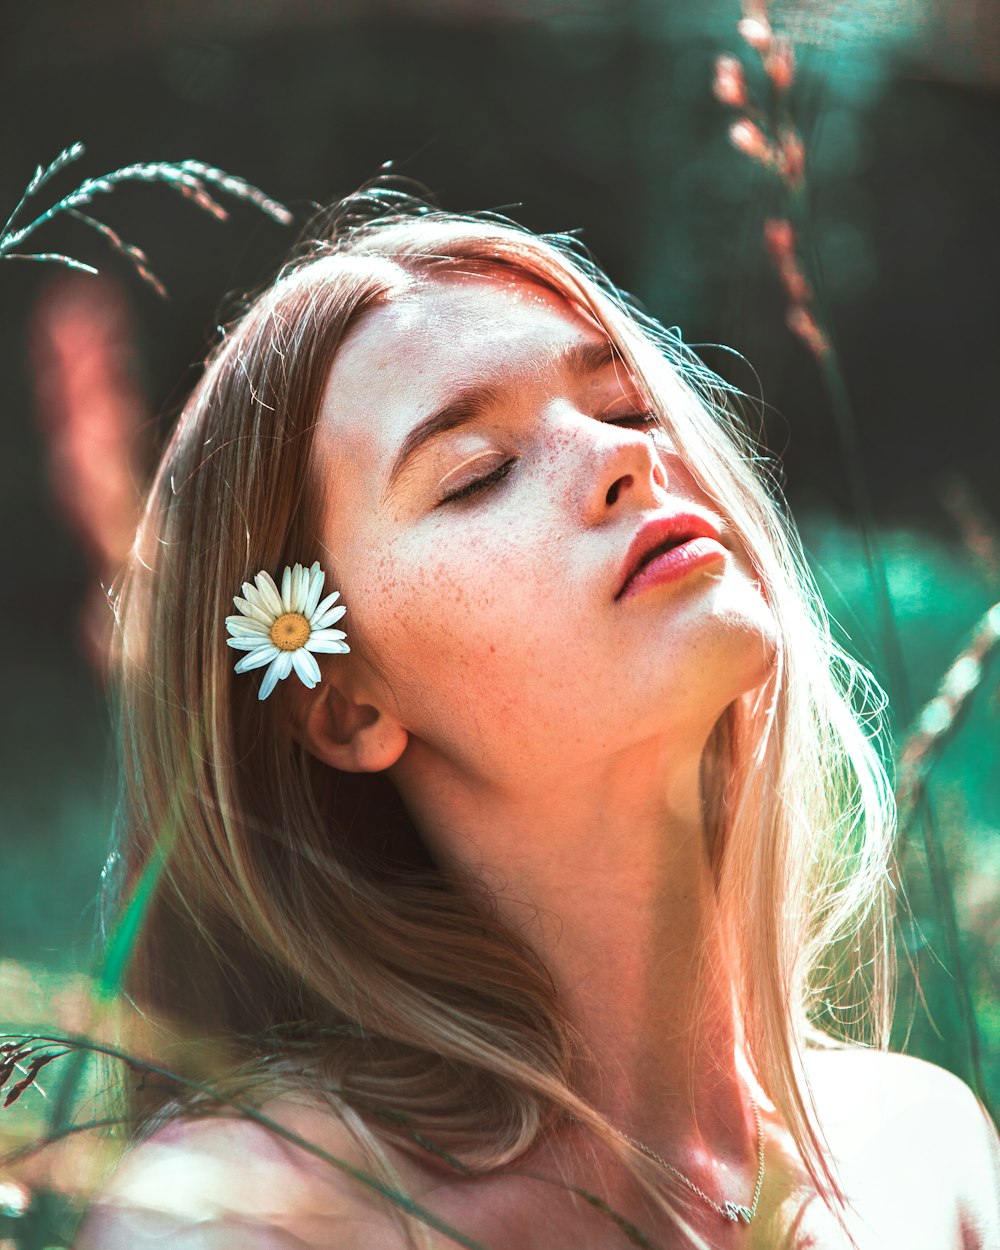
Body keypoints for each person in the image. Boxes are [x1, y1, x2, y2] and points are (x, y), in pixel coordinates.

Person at [77, 191, 998, 1249]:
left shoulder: (926, 1152)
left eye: (627, 408)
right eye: (478, 475)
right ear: (343, 706)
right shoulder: (257, 1214)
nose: (624, 460)